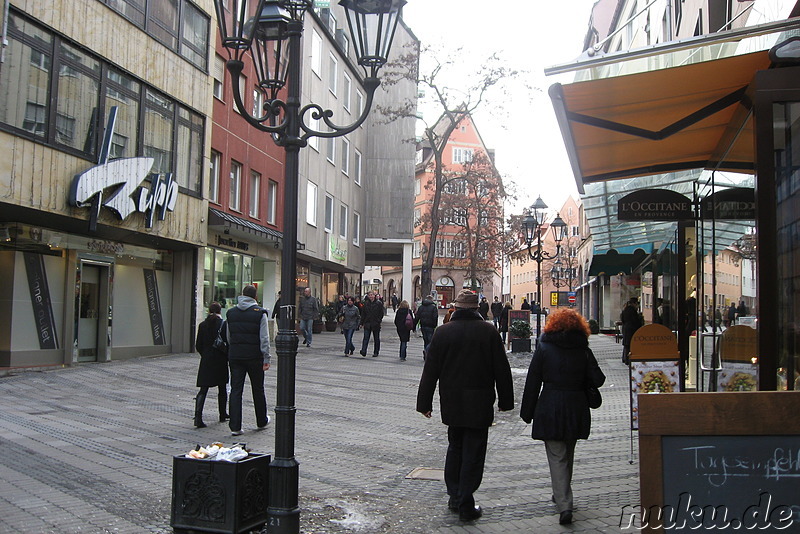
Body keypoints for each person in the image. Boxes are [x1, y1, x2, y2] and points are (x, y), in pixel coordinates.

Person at [416, 289, 514, 522]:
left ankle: (454, 495)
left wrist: (424, 403)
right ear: (476, 309)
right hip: (479, 403)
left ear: (456, 308)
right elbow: (502, 369)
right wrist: (505, 401)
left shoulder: (443, 332)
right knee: (474, 451)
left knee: (455, 447)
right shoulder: (488, 332)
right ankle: (466, 502)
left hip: (452, 402)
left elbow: (431, 371)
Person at [520, 308, 606, 526]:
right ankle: (562, 494)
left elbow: (533, 382)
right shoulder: (582, 348)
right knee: (568, 452)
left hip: (550, 404)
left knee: (557, 455)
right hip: (576, 405)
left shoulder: (544, 347)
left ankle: (564, 503)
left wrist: (527, 412)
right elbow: (599, 379)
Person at [225, 285, 271, 436]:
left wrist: (234, 348)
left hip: (236, 356)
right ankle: (261, 420)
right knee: (258, 389)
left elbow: (228, 336)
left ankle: (235, 426)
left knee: (236, 390)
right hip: (254, 356)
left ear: (242, 295)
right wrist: (266, 357)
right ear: (255, 296)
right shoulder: (259, 313)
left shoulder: (231, 313)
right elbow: (264, 338)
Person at [193, 302, 229, 428]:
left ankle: (198, 417)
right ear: (220, 311)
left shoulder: (203, 325)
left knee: (203, 389)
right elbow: (227, 341)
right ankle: (222, 414)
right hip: (220, 359)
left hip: (206, 360)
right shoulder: (223, 324)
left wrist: (205, 354)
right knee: (222, 387)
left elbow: (198, 345)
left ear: (208, 311)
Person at [359, 290, 384, 357]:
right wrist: (361, 323)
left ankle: (376, 352)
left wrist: (378, 321)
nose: (371, 296)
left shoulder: (378, 303)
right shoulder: (366, 304)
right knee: (366, 338)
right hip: (367, 323)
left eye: (372, 295)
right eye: (369, 295)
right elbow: (363, 314)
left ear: (374, 296)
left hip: (375, 323)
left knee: (376, 338)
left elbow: (381, 313)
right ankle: (363, 350)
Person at [620, 297, 642, 365]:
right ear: (634, 303)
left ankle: (624, 358)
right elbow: (635, 321)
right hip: (631, 329)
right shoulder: (632, 310)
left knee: (626, 345)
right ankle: (627, 359)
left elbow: (622, 319)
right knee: (630, 344)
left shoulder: (625, 309)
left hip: (626, 329)